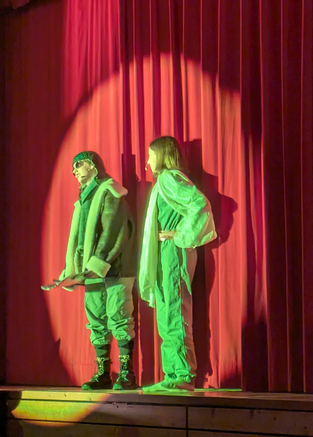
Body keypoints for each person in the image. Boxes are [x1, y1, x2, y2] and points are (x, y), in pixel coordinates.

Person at [42, 151, 137, 391]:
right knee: (96, 318)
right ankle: (103, 373)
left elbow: (113, 230)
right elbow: (79, 239)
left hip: (114, 268)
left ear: (93, 166)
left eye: (79, 164)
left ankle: (127, 373)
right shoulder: (84, 198)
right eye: (73, 167)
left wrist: (98, 263)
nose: (74, 170)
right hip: (92, 270)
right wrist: (73, 272)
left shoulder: (110, 191)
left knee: (119, 315)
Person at [138, 136, 216, 392]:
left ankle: (182, 375)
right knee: (166, 312)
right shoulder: (164, 180)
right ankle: (173, 373)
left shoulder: (170, 178)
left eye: (150, 155)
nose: (147, 162)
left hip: (172, 251)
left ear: (162, 155)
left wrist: (180, 233)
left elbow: (199, 204)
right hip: (164, 252)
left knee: (174, 310)